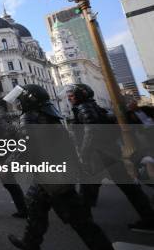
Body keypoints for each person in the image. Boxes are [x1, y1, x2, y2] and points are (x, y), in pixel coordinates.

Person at [6, 84, 135, 250]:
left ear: (30, 99)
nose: (19, 102)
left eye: (21, 99)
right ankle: (31, 244)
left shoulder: (30, 118)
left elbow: (27, 148)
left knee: (82, 224)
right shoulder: (50, 115)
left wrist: (12, 160)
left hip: (53, 178)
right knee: (34, 204)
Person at [66, 83, 154, 232]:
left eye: (72, 95)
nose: (69, 98)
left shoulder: (84, 107)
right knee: (128, 187)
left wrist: (84, 153)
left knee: (87, 188)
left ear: (81, 95)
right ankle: (149, 218)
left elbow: (91, 131)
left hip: (99, 155)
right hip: (108, 152)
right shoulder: (93, 106)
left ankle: (84, 223)